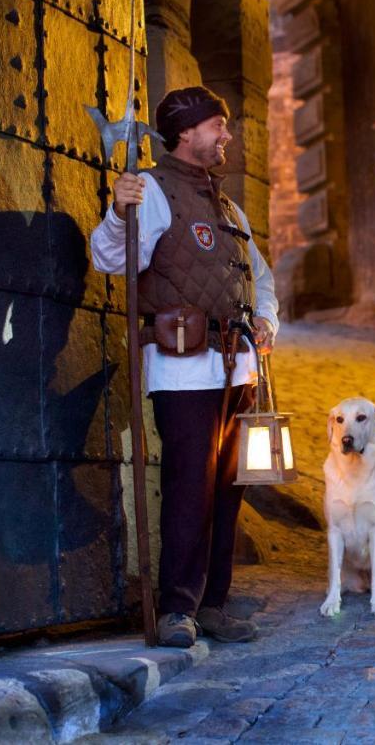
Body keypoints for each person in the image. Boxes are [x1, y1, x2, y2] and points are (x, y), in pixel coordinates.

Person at [89, 86, 279, 648]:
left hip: (237, 371)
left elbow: (260, 279)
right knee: (188, 488)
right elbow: (111, 260)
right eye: (218, 125)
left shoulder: (227, 205)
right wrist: (117, 211)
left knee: (228, 489)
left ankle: (213, 604)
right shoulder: (150, 188)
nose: (226, 134)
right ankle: (177, 609)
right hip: (184, 372)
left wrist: (266, 319)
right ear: (186, 132)